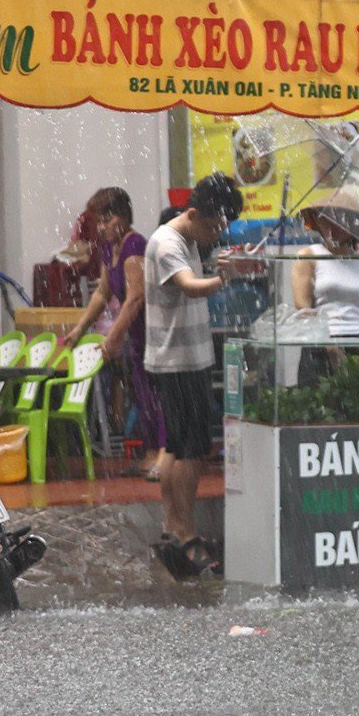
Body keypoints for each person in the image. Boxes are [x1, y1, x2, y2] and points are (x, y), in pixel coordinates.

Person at [144, 172, 244, 579]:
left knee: (177, 447)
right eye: (216, 226)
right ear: (195, 213)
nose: (217, 233)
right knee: (190, 450)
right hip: (178, 361)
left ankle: (173, 526)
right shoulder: (168, 243)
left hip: (187, 358)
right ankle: (184, 532)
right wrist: (226, 278)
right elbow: (189, 286)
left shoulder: (188, 239)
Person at [59, 188, 166, 481]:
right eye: (99, 221)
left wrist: (112, 338)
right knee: (141, 393)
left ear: (124, 216)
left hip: (153, 332)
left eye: (107, 220)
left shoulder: (134, 246)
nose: (102, 227)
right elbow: (104, 292)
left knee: (156, 394)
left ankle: (163, 456)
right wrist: (80, 329)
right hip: (135, 333)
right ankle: (148, 454)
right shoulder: (109, 248)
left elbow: (135, 299)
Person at [291, 188, 359, 388]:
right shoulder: (308, 256)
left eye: (339, 218)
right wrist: (329, 347)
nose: (331, 225)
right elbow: (303, 308)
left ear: (352, 223)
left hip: (356, 346)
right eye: (325, 218)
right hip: (319, 349)